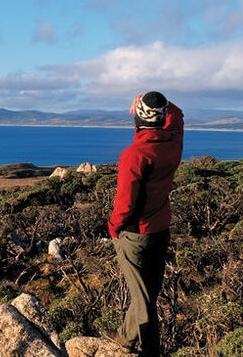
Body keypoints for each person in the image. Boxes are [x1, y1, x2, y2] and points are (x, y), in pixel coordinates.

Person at [101, 91, 183, 356]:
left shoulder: (134, 155)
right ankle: (127, 337)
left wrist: (113, 227)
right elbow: (178, 117)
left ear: (137, 117)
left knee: (142, 298)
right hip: (161, 228)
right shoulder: (172, 143)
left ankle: (150, 350)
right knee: (148, 291)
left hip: (135, 234)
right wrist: (160, 104)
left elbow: (125, 204)